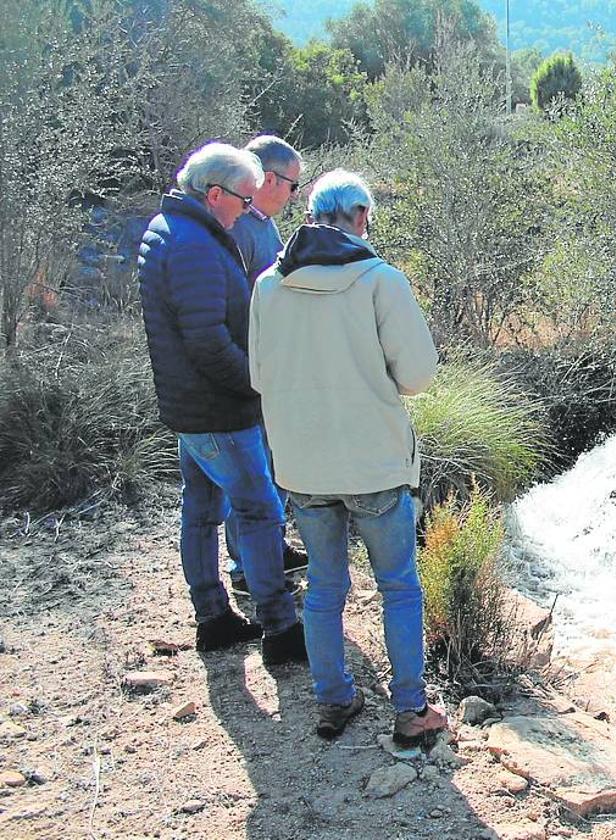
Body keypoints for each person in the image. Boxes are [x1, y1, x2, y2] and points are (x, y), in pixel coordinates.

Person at [249, 169, 445, 741]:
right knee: (399, 587)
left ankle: (332, 700)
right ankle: (410, 711)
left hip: (304, 465)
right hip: (374, 461)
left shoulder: (267, 286)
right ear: (360, 217)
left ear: (310, 216)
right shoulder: (382, 281)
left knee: (325, 587)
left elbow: (260, 377)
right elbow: (418, 376)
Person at [137, 142, 306, 665]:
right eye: (243, 199)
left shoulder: (174, 229)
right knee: (257, 510)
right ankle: (279, 629)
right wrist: (258, 383)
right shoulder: (194, 246)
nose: (247, 210)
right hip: (217, 410)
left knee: (202, 509)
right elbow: (207, 340)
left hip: (190, 406)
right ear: (215, 194)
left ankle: (213, 618)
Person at [223, 135, 308, 596]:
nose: (294, 195)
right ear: (269, 179)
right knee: (250, 469)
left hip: (271, 364)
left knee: (271, 461)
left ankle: (273, 545)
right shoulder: (237, 228)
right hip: (250, 367)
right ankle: (244, 567)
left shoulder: (261, 223)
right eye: (293, 185)